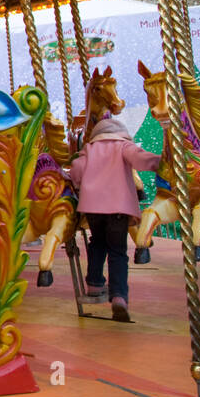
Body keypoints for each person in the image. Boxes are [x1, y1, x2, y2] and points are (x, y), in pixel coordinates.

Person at [69, 117, 161, 322]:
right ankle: (119, 296)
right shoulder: (123, 146)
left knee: (97, 243)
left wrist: (75, 182)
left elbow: (76, 169)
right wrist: (161, 161)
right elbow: (141, 159)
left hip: (93, 208)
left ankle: (94, 283)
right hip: (118, 208)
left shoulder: (89, 150)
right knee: (118, 251)